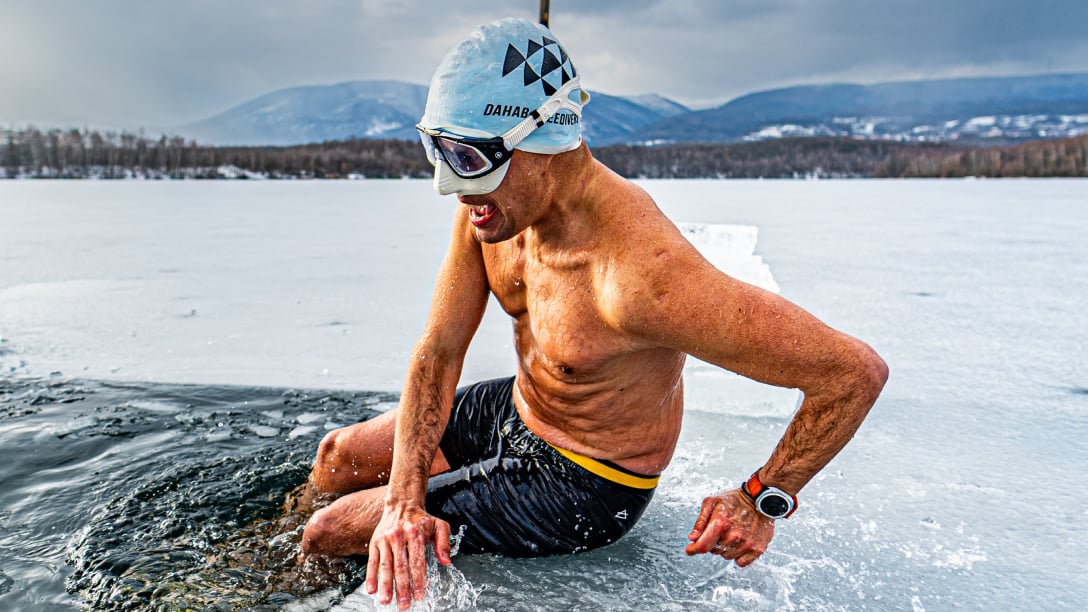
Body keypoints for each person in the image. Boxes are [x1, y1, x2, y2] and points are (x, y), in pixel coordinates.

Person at [298, 17, 888, 609]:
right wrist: (403, 499)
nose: (448, 183)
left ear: (539, 143)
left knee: (331, 532)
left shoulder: (643, 276)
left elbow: (853, 374)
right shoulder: (491, 205)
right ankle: (273, 552)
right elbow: (440, 349)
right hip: (523, 407)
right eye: (437, 148)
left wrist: (763, 498)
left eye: (467, 156)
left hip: (588, 481)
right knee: (335, 458)